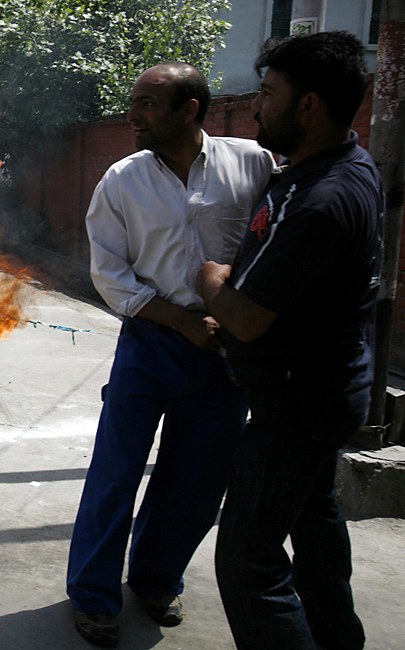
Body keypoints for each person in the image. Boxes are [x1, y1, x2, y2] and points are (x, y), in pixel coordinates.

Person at [68, 62, 274, 647]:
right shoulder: (121, 180)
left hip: (223, 346)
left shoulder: (252, 163)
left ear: (189, 110)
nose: (134, 114)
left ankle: (157, 579)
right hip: (151, 340)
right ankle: (93, 596)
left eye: (148, 104)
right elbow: (108, 273)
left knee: (198, 477)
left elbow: (268, 242)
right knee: (116, 471)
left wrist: (232, 315)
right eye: (134, 101)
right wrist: (178, 319)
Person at [196, 31, 380, 650]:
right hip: (322, 390)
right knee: (315, 518)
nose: (255, 107)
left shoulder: (320, 199)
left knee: (248, 559)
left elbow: (247, 317)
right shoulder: (335, 167)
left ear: (309, 106)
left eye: (268, 95)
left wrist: (212, 282)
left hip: (295, 407)